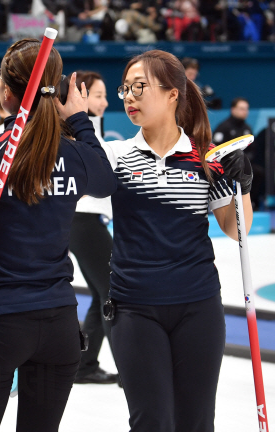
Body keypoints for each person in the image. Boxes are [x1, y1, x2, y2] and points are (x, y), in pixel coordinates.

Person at [0, 39, 117, 431]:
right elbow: (104, 179)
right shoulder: (74, 153)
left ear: (6, 91)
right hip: (61, 325)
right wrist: (79, 120)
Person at [104, 49, 253, 431]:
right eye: (125, 89)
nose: (130, 97)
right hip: (134, 309)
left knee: (197, 421)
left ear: (173, 93)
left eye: (140, 87)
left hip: (198, 307)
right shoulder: (115, 156)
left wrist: (244, 187)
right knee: (152, 420)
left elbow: (237, 229)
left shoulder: (205, 158)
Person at [69, 70, 118, 385]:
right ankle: (130, 368)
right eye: (98, 95)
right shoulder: (75, 132)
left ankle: (85, 364)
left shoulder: (91, 129)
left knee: (104, 294)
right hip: (83, 221)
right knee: (115, 294)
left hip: (87, 222)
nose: (105, 101)